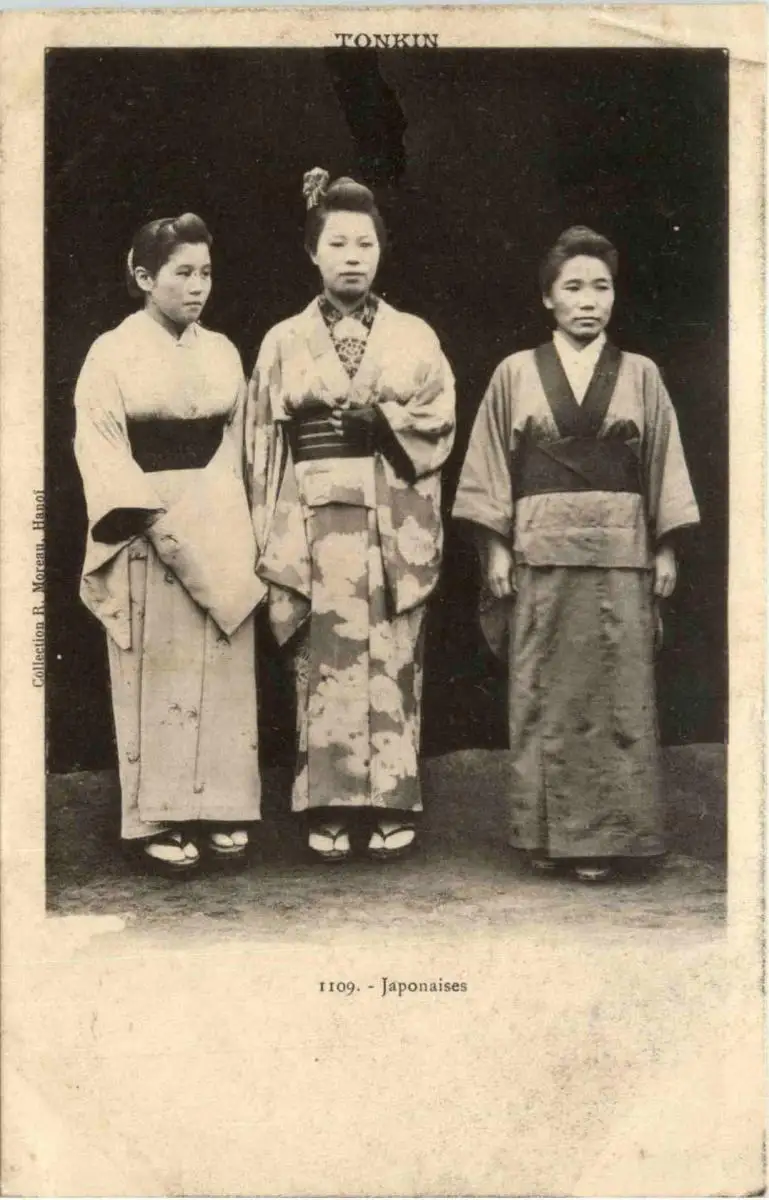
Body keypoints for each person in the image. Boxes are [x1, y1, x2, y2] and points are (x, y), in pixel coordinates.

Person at [453, 226, 700, 882]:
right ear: (547, 297)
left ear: (614, 295)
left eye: (601, 287)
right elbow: (488, 468)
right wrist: (494, 549)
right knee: (544, 694)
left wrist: (666, 549)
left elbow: (663, 465)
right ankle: (548, 835)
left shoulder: (641, 374)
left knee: (620, 695)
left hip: (621, 553)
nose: (588, 300)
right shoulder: (514, 373)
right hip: (541, 553)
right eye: (572, 287)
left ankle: (619, 837)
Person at [246, 169, 455, 862]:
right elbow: (260, 446)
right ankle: (327, 803)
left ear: (381, 250)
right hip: (311, 519)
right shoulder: (283, 340)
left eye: (365, 243)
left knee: (392, 656)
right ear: (312, 251)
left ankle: (393, 799)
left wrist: (386, 422)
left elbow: (438, 422)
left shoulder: (414, 336)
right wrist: (270, 532)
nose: (352, 257)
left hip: (390, 518)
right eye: (336, 243)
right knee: (319, 661)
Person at [74, 213, 264, 875]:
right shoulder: (110, 352)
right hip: (144, 526)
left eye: (205, 273)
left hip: (218, 515)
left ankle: (223, 807)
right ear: (143, 276)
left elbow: (244, 443)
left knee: (223, 662)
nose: (197, 286)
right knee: (158, 670)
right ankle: (157, 816)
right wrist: (156, 518)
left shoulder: (223, 352)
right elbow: (100, 444)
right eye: (182, 273)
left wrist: (220, 510)